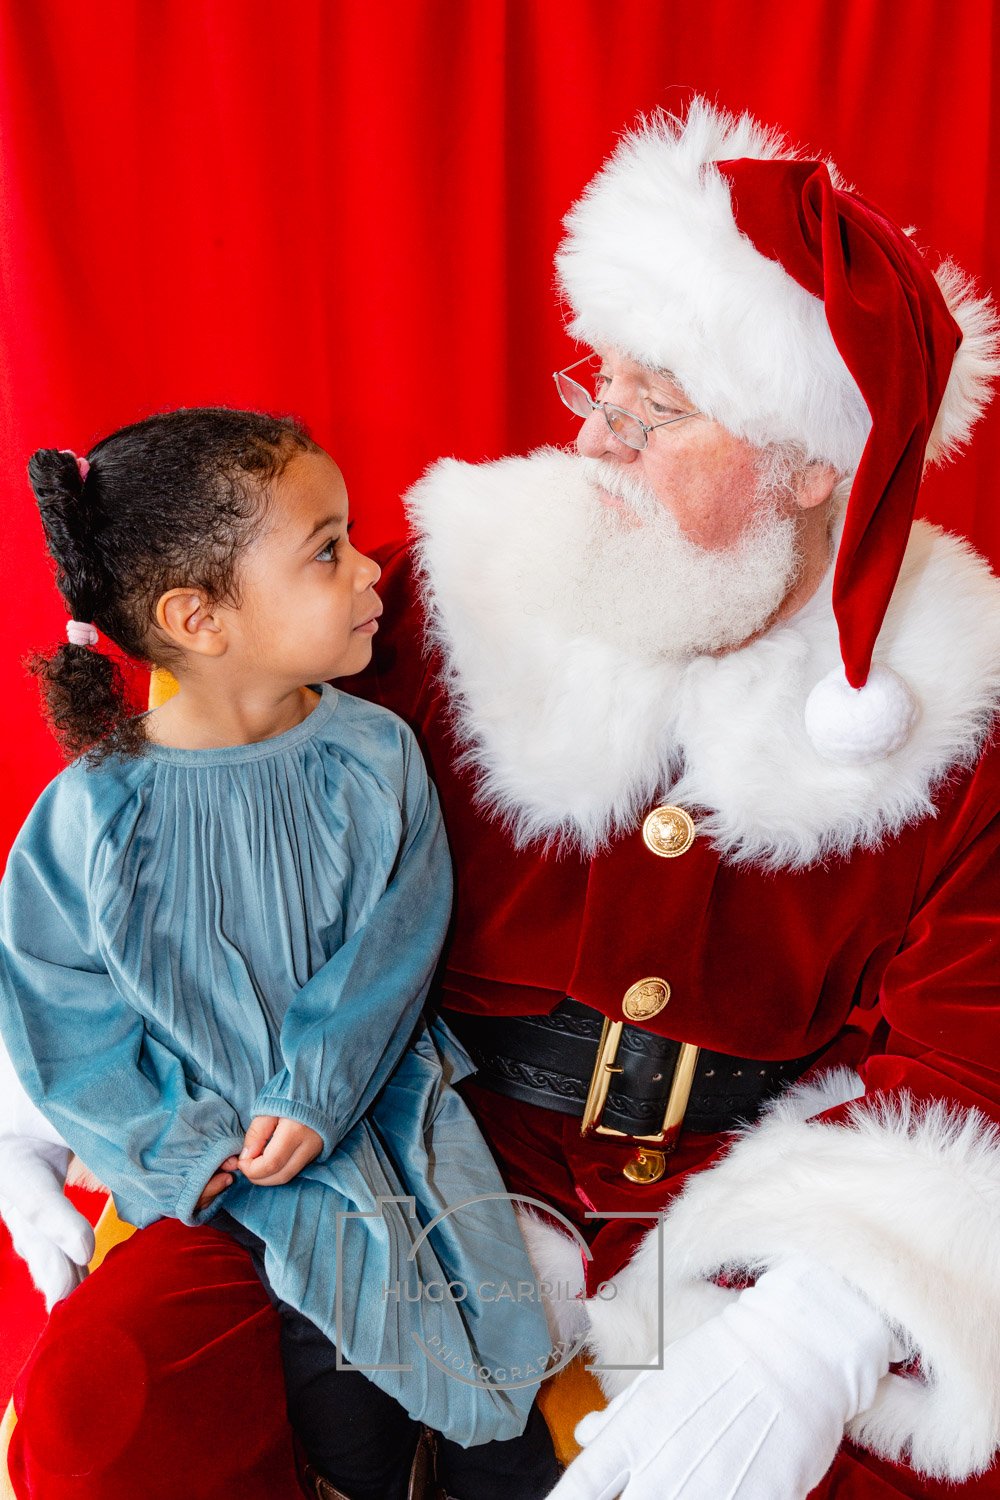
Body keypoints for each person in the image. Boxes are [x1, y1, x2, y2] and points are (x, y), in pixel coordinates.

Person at [2, 97, 1000, 1499]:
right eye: (605, 385)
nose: (598, 442)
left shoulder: (961, 711)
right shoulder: (431, 596)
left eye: (661, 413)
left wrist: (817, 1323)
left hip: (749, 1198)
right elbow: (196, 802)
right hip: (403, 1132)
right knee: (119, 1408)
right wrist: (45, 1074)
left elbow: (972, 1061)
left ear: (812, 465)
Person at [0, 410, 560, 1500]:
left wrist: (316, 1090)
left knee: (493, 1376)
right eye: (327, 551)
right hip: (218, 1178)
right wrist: (174, 1143)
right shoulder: (90, 817)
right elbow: (59, 1011)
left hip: (382, 1125)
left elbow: (394, 944)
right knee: (334, 1411)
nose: (368, 574)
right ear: (198, 617)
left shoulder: (373, 755)